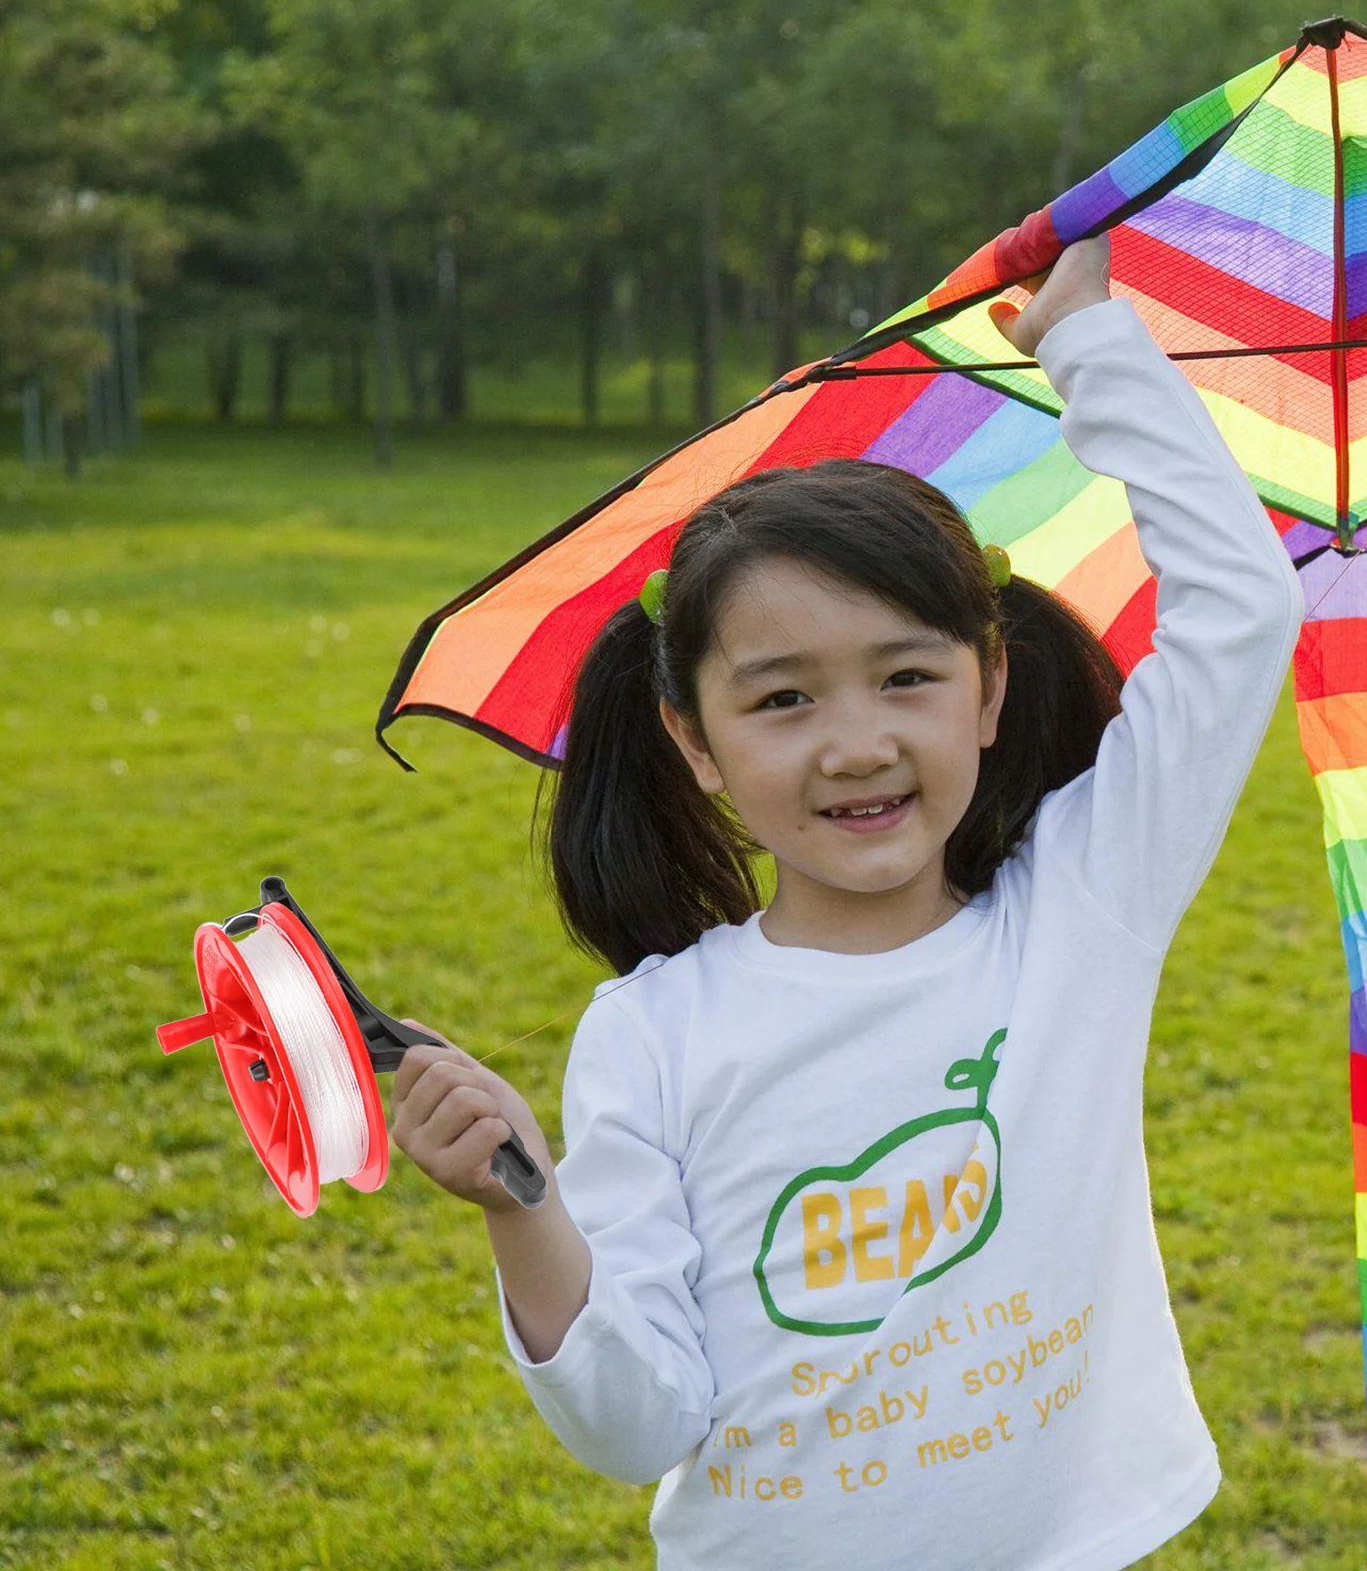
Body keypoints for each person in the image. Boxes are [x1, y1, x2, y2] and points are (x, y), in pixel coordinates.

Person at [388, 235, 1304, 1571]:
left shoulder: (1083, 911)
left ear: (988, 689)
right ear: (693, 740)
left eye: (906, 679)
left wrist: (1088, 342)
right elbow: (641, 1423)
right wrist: (524, 1210)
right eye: (783, 699)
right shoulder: (653, 1036)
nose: (857, 742)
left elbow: (1240, 613)